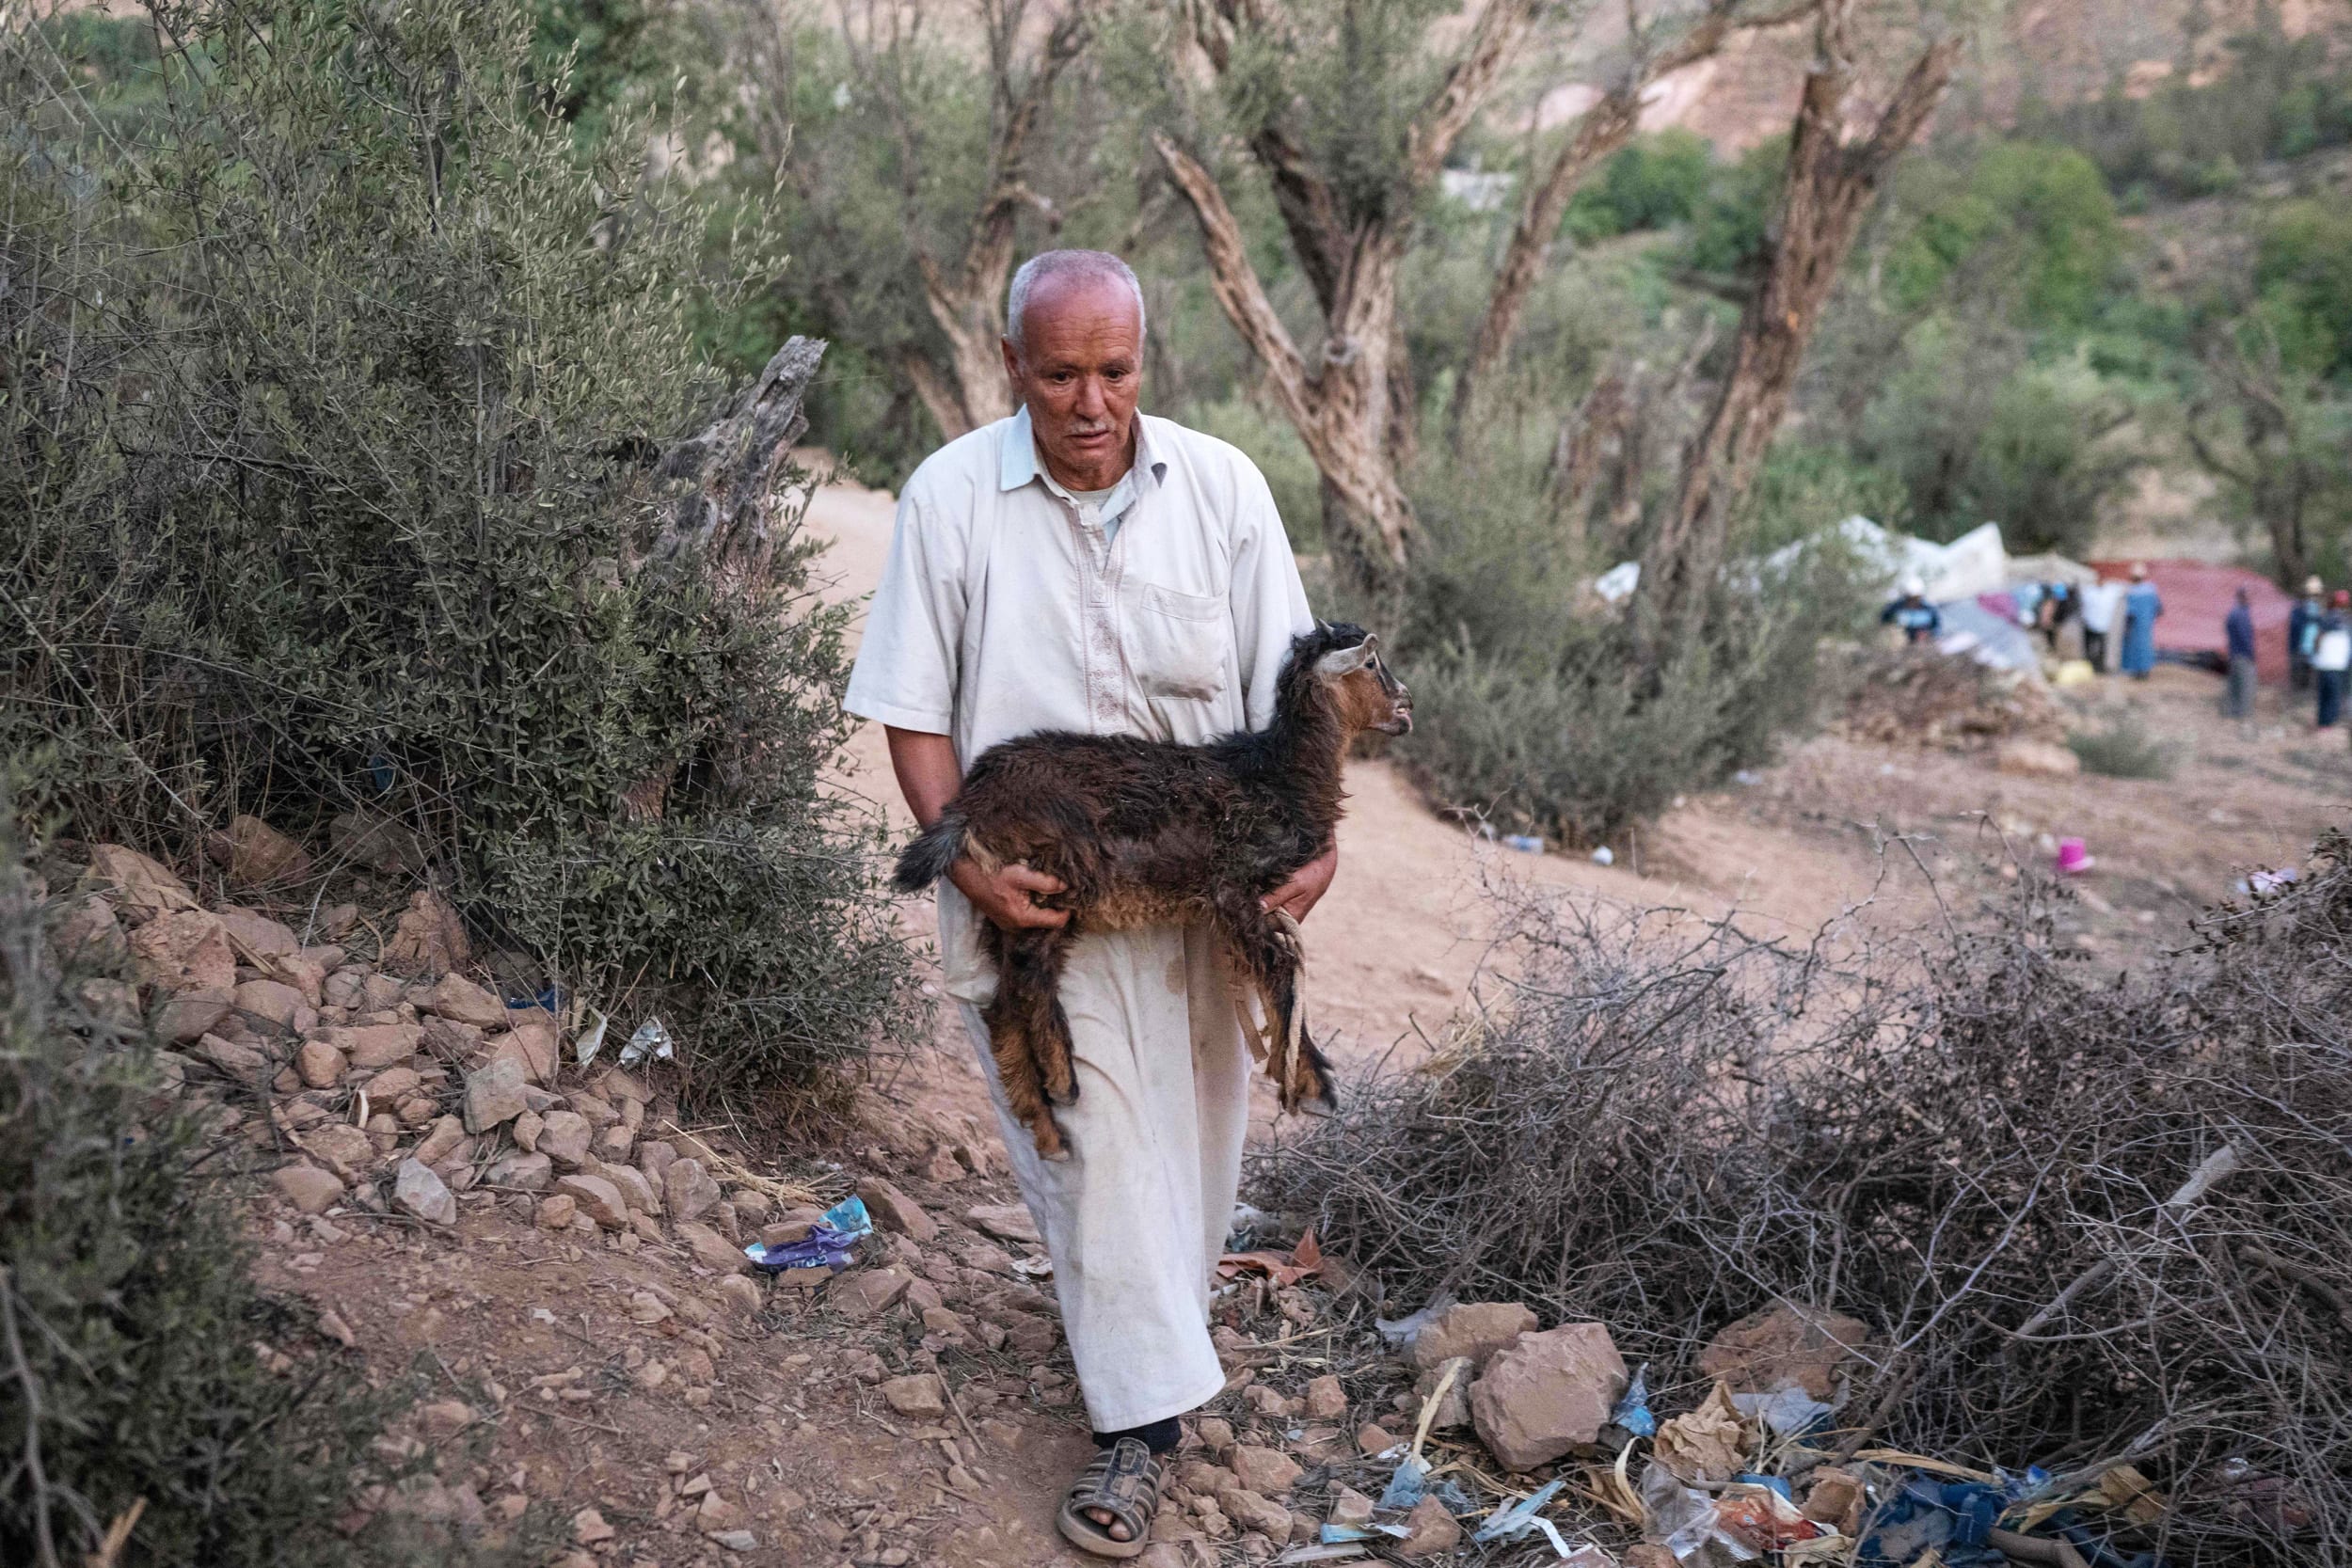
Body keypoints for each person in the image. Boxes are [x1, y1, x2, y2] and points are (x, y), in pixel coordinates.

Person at [844, 249, 1321, 1559]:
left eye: (1113, 371)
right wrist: (967, 863)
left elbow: (1293, 694)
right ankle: (1145, 1429)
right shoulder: (951, 497)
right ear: (1013, 366)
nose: (1090, 401)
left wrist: (1317, 846)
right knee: (1096, 1136)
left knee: (1199, 1138)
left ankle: (1146, 1336)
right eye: (1060, 373)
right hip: (1043, 899)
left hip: (1202, 892)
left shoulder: (1222, 489)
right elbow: (911, 704)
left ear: (1142, 365)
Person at [2314, 590, 2352, 728]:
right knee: (2332, 696)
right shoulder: (2344, 621)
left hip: (2327, 663)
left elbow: (2318, 638)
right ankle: (2328, 724)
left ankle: (2323, 723)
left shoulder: (2327, 618)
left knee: (2325, 695)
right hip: (2336, 664)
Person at [2120, 562, 2162, 679]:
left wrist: (2127, 626)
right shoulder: (2151, 589)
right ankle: (2145, 671)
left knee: (2133, 648)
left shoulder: (2131, 591)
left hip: (2135, 624)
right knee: (2145, 647)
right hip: (2146, 624)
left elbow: (2129, 612)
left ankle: (2136, 672)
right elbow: (2159, 609)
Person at [1879, 575, 1941, 645]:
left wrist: (1928, 634)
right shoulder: (1895, 608)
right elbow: (1883, 622)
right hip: (1900, 645)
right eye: (1909, 598)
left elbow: (1937, 628)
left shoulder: (1930, 609)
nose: (1913, 601)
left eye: (1916, 598)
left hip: (1922, 646)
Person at [2224, 587, 2257, 719]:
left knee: (2234, 685)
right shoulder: (2242, 615)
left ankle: (2230, 711)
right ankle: (2243, 714)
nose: (2251, 600)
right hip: (2243, 655)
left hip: (2234, 653)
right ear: (2242, 597)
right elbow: (2245, 637)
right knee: (2245, 686)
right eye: (2249, 597)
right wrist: (2251, 654)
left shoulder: (2232, 613)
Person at [2078, 574, 2122, 672]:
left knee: (2102, 649)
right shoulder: (2089, 591)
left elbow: (2124, 586)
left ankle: (2100, 667)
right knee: (2089, 648)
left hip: (2103, 625)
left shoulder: (2111, 591)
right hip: (2089, 624)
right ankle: (2089, 667)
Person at [2289, 575, 2324, 693]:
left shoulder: (2317, 609)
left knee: (2309, 673)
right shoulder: (2299, 609)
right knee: (2301, 673)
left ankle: (2305, 692)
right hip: (2302, 646)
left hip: (2311, 646)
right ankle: (2300, 692)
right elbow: (2296, 627)